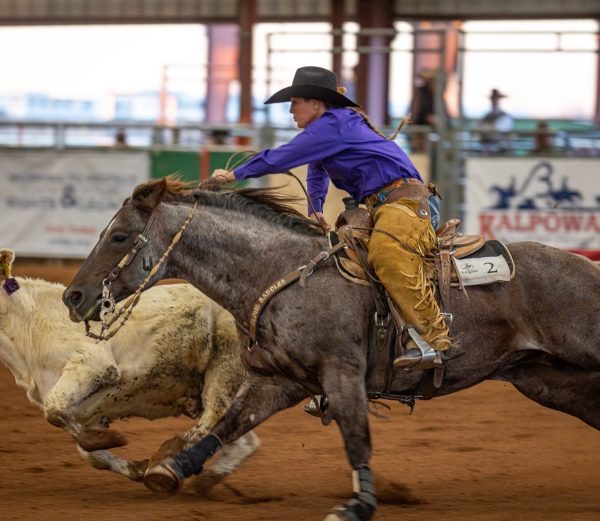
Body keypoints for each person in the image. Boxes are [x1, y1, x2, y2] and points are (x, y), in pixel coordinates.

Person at [212, 66, 451, 371]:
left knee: (387, 254)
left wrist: (236, 173)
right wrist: (316, 209)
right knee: (338, 260)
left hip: (405, 203)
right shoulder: (332, 128)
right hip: (383, 205)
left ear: (315, 103)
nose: (290, 109)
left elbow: (283, 156)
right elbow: (316, 169)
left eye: (295, 101)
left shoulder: (334, 124)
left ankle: (433, 338)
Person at [476, 88, 514, 154]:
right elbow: (478, 127)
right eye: (492, 99)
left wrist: (485, 127)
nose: (494, 101)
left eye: (495, 99)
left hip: (499, 149)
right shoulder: (486, 116)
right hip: (485, 148)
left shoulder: (505, 116)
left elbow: (497, 128)